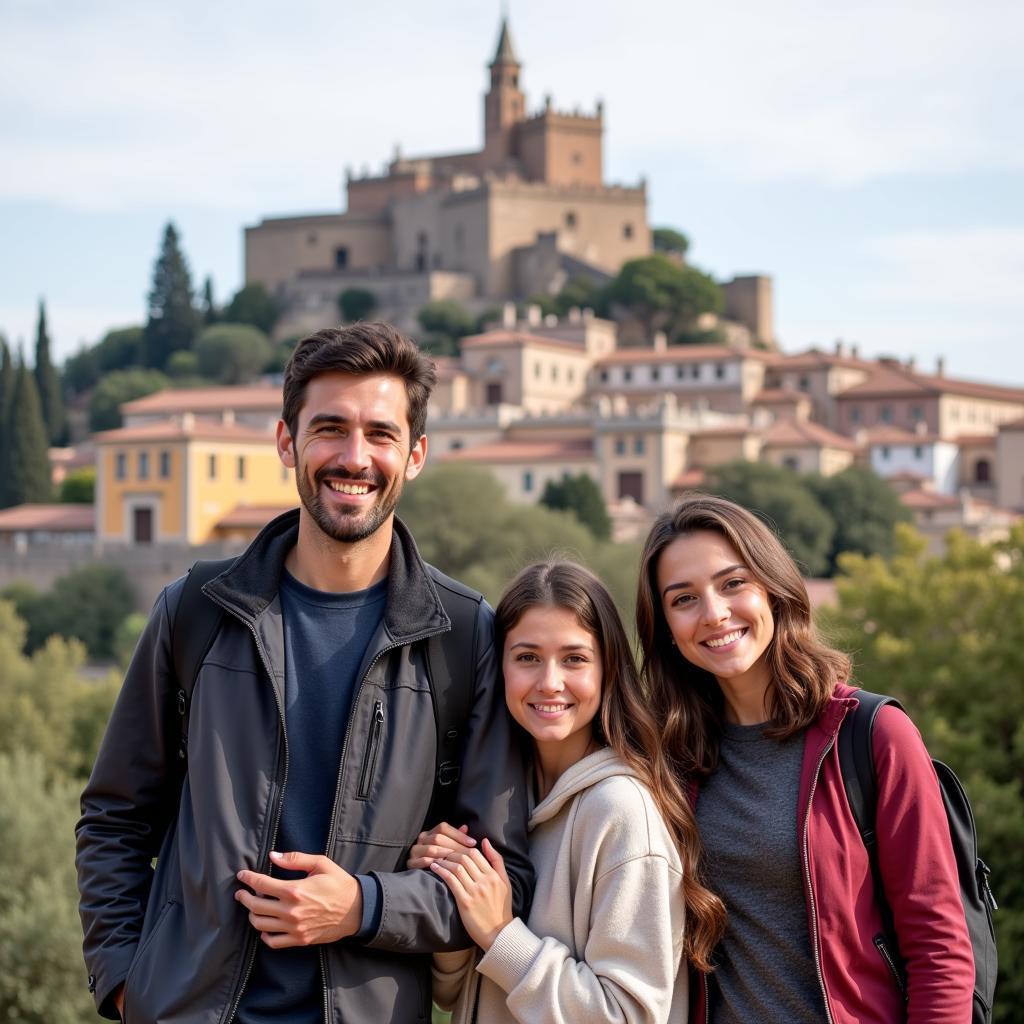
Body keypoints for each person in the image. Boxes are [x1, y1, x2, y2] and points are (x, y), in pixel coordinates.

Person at [75, 323, 533, 1023]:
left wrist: (362, 907)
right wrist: (123, 984)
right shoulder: (195, 611)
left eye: (380, 434)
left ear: (414, 455)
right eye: (330, 429)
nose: (354, 457)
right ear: (287, 442)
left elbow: (506, 879)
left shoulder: (464, 634)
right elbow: (114, 818)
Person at [635, 493, 975, 1024]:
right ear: (667, 629)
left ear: (772, 588)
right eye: (683, 599)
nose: (714, 613)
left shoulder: (873, 735)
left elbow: (941, 951)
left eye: (733, 583)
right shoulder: (667, 757)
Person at [408, 560, 726, 1024]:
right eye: (527, 657)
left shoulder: (621, 811)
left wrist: (501, 934)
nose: (549, 682)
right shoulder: (498, 803)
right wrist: (450, 889)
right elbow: (454, 995)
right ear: (498, 669)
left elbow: (627, 1016)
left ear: (608, 669)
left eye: (574, 658)